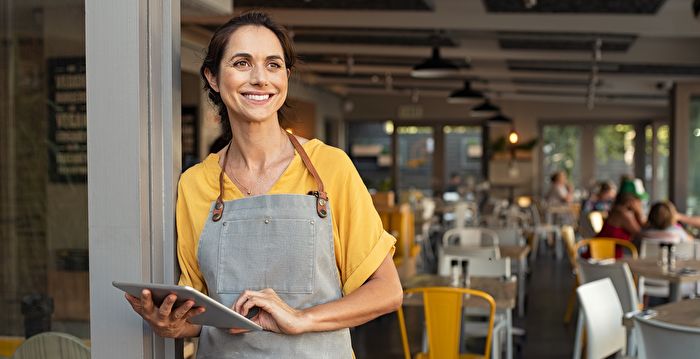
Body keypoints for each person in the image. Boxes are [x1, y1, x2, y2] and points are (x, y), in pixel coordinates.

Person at [124, 12, 402, 357]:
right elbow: (200, 312)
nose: (260, 79)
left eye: (273, 65)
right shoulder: (195, 183)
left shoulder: (330, 167)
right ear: (212, 77)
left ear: (286, 76)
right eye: (242, 63)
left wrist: (302, 318)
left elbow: (387, 290)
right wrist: (174, 325)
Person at [596, 192, 645, 258]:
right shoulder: (623, 213)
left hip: (602, 250)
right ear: (630, 202)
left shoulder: (617, 210)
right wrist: (639, 211)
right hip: (605, 254)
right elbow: (639, 232)